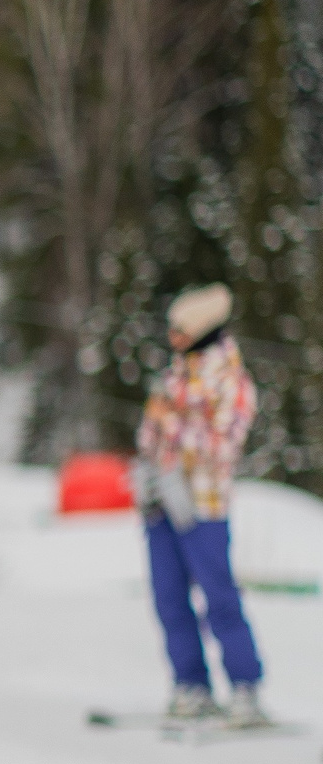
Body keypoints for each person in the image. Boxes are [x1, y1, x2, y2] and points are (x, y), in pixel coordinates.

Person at [135, 283, 266, 722]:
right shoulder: (174, 374)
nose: (172, 338)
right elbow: (149, 431)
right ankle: (191, 684)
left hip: (204, 506)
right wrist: (150, 467)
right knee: (168, 597)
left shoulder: (231, 380)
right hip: (162, 503)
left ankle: (245, 687)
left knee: (219, 597)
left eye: (180, 330)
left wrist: (175, 445)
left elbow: (222, 443)